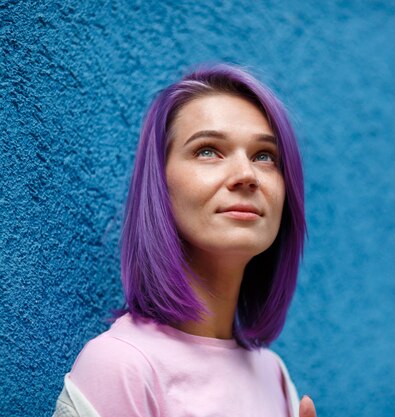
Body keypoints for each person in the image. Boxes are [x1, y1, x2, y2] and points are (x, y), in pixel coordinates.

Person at [53, 64, 317, 417]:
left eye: (264, 156)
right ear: (159, 184)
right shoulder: (123, 365)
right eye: (208, 150)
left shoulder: (274, 374)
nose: (246, 175)